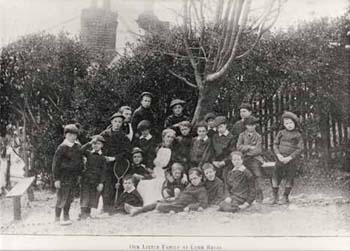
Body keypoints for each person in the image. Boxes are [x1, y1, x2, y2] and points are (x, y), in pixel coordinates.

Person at [125, 167, 208, 215]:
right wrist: (174, 198)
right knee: (158, 201)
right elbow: (183, 194)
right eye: (191, 179)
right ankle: (137, 209)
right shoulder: (191, 186)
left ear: (200, 177)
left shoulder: (201, 190)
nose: (193, 181)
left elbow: (203, 203)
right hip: (177, 201)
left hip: (181, 206)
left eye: (195, 178)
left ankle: (137, 211)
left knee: (159, 206)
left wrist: (189, 207)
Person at [99, 112, 132, 214]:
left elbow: (126, 152)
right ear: (111, 122)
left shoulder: (124, 137)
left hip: (118, 164)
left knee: (117, 185)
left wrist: (115, 158)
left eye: (120, 122)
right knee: (107, 185)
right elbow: (97, 146)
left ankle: (117, 206)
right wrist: (103, 156)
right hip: (105, 164)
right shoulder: (104, 135)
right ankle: (106, 207)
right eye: (115, 121)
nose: (117, 124)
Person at [52, 124, 83, 225]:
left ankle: (66, 216)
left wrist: (79, 174)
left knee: (70, 197)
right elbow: (55, 164)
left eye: (75, 135)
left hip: (74, 176)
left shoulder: (77, 147)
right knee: (62, 197)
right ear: (65, 135)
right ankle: (57, 217)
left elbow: (80, 161)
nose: (73, 137)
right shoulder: (62, 148)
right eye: (70, 135)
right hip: (63, 176)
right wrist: (56, 179)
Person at [137, 128, 177, 205]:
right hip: (154, 170)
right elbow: (151, 159)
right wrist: (150, 170)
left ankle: (156, 203)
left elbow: (173, 164)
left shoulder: (174, 150)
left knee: (159, 184)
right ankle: (147, 203)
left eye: (172, 137)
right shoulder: (157, 148)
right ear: (163, 137)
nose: (170, 139)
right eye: (168, 136)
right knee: (144, 183)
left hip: (166, 172)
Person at [272, 111, 304, 204]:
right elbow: (275, 144)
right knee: (276, 176)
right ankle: (275, 196)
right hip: (280, 159)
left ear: (295, 123)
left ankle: (285, 196)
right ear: (283, 124)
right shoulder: (281, 133)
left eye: (290, 123)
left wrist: (290, 157)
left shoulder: (298, 134)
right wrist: (278, 154)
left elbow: (300, 148)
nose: (289, 125)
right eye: (286, 123)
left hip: (291, 160)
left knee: (290, 177)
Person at [237, 116, 265, 203]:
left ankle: (259, 195)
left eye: (253, 125)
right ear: (246, 126)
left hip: (255, 159)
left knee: (257, 174)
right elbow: (238, 147)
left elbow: (258, 150)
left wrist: (246, 151)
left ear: (255, 126)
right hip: (244, 159)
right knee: (242, 174)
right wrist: (249, 147)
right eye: (249, 125)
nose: (251, 127)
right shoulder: (242, 135)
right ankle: (243, 195)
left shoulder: (258, 136)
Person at [79, 135, 107, 220]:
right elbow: (80, 150)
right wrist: (89, 143)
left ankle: (88, 213)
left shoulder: (103, 158)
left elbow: (103, 171)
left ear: (102, 145)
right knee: (85, 196)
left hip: (95, 180)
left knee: (92, 196)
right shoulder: (88, 153)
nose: (96, 145)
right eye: (94, 143)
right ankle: (83, 213)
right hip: (86, 179)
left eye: (98, 144)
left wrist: (101, 182)